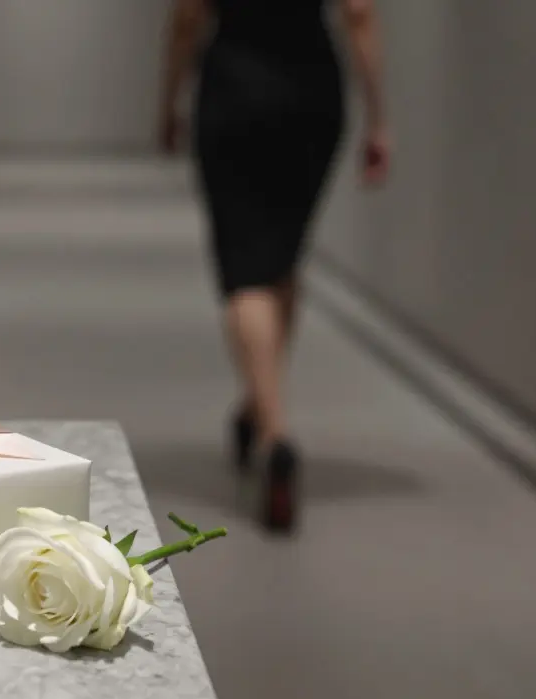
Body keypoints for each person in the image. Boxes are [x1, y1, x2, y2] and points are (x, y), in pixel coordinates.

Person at [159, 0, 388, 532]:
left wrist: (168, 102)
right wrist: (378, 116)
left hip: (233, 85)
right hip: (312, 89)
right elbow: (358, 13)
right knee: (282, 258)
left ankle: (273, 433)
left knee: (245, 269)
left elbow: (187, 18)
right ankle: (257, 407)